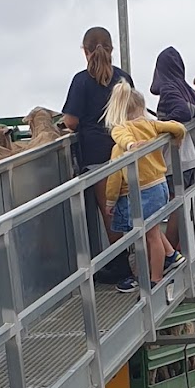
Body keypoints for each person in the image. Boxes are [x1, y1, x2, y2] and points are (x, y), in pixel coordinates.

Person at [103, 80, 187, 293]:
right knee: (154, 230)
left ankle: (155, 279)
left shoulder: (120, 141)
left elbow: (114, 176)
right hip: (160, 185)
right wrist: (178, 138)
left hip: (142, 190)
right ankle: (171, 256)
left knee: (150, 236)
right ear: (141, 108)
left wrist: (110, 201)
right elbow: (177, 126)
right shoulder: (151, 125)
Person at [61, 26, 132, 233]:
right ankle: (141, 257)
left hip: (96, 155)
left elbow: (71, 121)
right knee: (133, 210)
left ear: (85, 51)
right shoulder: (124, 78)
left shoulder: (80, 81)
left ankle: (120, 264)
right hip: (125, 150)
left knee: (109, 215)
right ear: (112, 49)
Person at [151, 48, 195, 190]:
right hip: (189, 160)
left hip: (173, 162)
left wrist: (159, 126)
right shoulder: (191, 93)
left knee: (174, 204)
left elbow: (183, 112)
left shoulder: (168, 89)